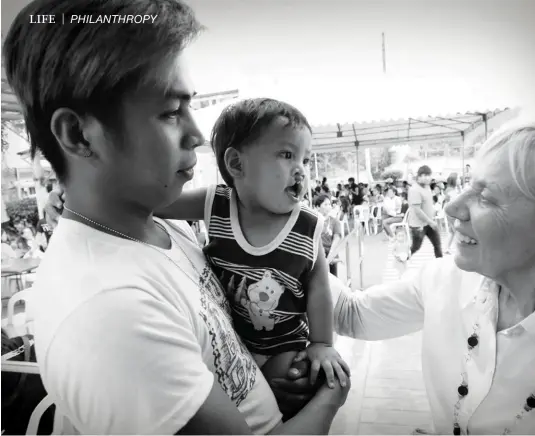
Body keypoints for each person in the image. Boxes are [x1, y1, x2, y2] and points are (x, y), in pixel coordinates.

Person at [4, 0, 349, 434]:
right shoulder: (111, 313)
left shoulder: (164, 224)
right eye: (170, 111)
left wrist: (266, 383)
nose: (198, 134)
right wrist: (330, 397)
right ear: (78, 134)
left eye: (189, 107)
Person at [329, 118, 535, 434]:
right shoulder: (446, 279)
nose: (452, 208)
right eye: (469, 185)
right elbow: (351, 314)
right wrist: (295, 240)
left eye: (487, 197)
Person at [145, 98, 349, 386]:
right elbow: (158, 204)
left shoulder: (306, 225)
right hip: (228, 340)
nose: (302, 170)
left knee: (292, 380)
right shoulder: (215, 203)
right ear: (237, 163)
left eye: (305, 159)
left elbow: (318, 287)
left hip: (285, 344)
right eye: (286, 154)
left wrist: (322, 343)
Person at [408, 165, 443, 258]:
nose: (428, 178)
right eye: (425, 175)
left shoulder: (427, 187)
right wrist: (430, 222)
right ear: (419, 176)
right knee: (415, 247)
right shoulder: (414, 190)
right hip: (418, 226)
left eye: (429, 175)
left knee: (437, 245)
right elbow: (417, 210)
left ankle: (440, 265)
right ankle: (402, 257)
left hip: (429, 223)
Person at [314, 194, 342, 277]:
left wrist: (330, 255)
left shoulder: (334, 221)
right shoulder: (313, 221)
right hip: (317, 254)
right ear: (317, 207)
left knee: (333, 277)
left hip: (330, 252)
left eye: (329, 204)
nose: (328, 206)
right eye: (325, 204)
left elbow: (336, 238)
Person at [443, 172, 460, 254]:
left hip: (450, 212)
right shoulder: (451, 190)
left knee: (452, 231)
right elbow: (455, 200)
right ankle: (459, 250)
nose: (460, 180)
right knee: (457, 231)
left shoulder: (449, 189)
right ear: (454, 180)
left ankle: (447, 248)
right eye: (458, 178)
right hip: (451, 212)